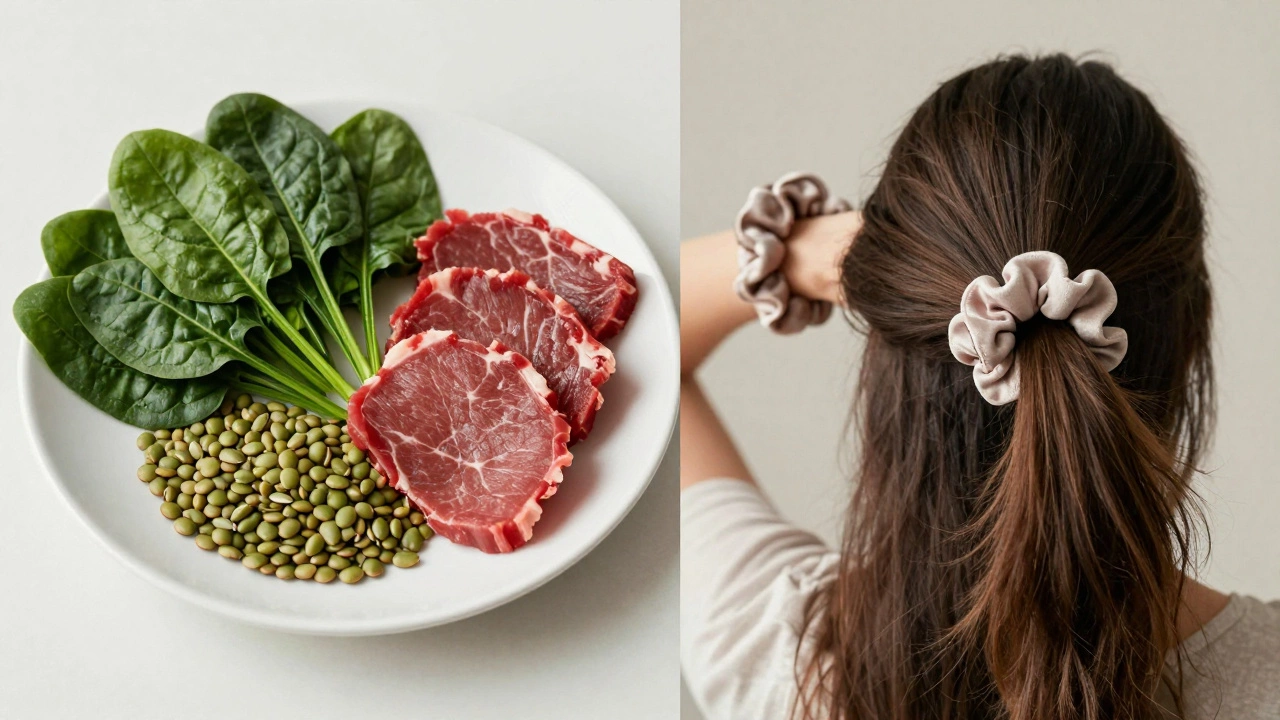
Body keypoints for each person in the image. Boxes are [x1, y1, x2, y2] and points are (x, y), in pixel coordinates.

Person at [679, 54, 1280, 720]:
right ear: (1191, 340)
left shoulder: (781, 653)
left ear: (893, 343)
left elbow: (636, 349)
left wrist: (799, 253)